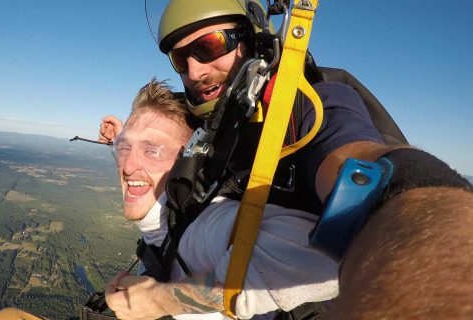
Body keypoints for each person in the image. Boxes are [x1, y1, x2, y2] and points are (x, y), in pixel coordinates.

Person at [99, 0, 473, 318]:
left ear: (252, 40)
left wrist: (158, 300)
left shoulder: (307, 108)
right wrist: (123, 136)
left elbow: (375, 176)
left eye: (209, 46)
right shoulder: (227, 115)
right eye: (181, 58)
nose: (195, 71)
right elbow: (165, 130)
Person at [105, 79, 338, 320]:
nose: (128, 166)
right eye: (124, 149)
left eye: (152, 150)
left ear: (187, 162)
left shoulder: (207, 228)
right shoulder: (168, 218)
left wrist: (161, 300)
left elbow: (330, 258)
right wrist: (118, 137)